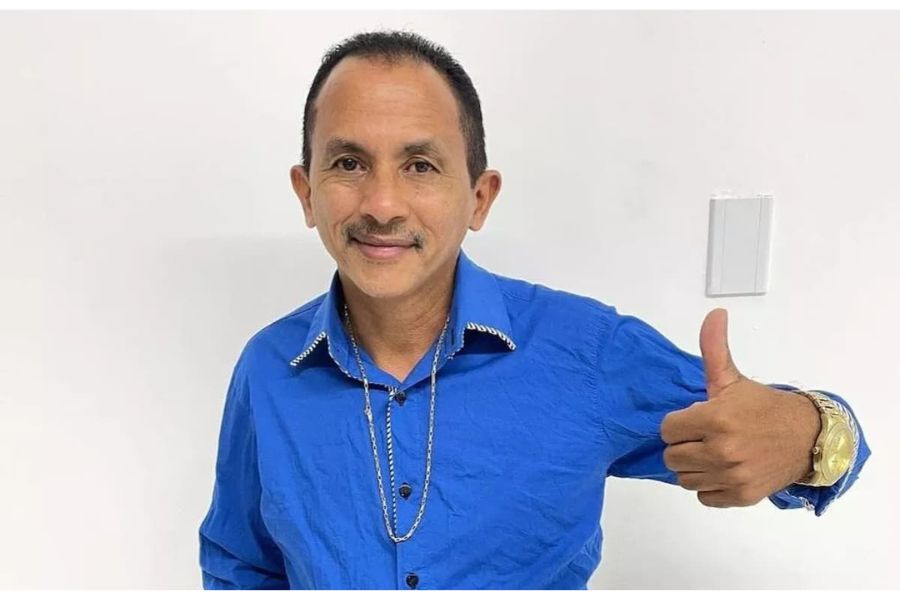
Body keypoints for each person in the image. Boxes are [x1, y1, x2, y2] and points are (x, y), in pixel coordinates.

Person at [197, 30, 871, 590]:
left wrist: (806, 435)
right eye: (348, 163)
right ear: (306, 192)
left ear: (479, 197)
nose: (381, 204)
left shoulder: (585, 351)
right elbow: (239, 564)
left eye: (420, 166)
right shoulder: (267, 369)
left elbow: (804, 440)